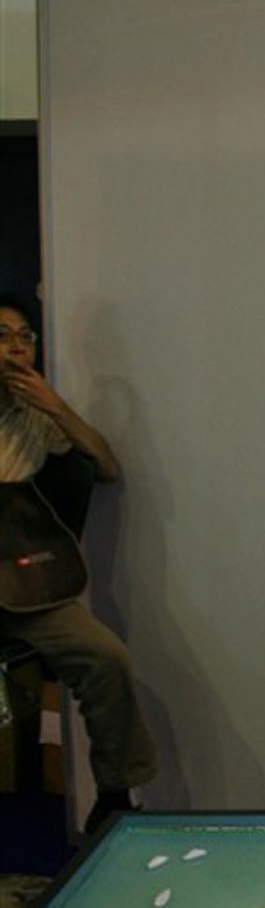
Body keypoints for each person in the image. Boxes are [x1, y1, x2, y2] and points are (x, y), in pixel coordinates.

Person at [0, 294, 157, 833]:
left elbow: (107, 466)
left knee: (106, 658)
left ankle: (114, 794)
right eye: (4, 336)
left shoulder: (36, 418)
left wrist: (56, 408)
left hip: (22, 583)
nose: (17, 347)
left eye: (25, 337)